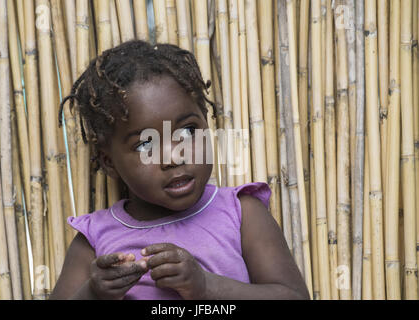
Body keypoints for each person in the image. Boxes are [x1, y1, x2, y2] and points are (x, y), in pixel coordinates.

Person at [50, 40, 309, 300]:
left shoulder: (242, 214)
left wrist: (207, 287)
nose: (174, 156)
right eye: (146, 144)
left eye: (188, 131)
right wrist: (93, 293)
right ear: (108, 162)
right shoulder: (94, 239)